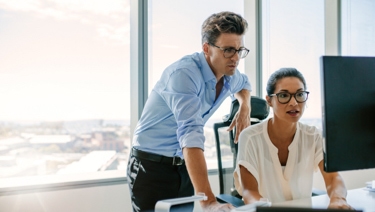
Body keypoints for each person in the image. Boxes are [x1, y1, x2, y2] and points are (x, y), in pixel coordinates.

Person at [127, 11, 252, 212]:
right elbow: (191, 134)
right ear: (206, 48)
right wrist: (209, 201)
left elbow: (244, 84)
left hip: (184, 166)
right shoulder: (184, 74)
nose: (236, 58)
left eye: (240, 50)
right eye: (228, 50)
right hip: (151, 166)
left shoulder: (230, 74)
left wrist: (245, 106)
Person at [233, 68, 353, 209]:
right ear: (270, 100)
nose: (294, 103)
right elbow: (249, 192)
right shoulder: (250, 137)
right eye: (284, 96)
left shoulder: (314, 136)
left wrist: (338, 199)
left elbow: (333, 178)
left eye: (300, 95)